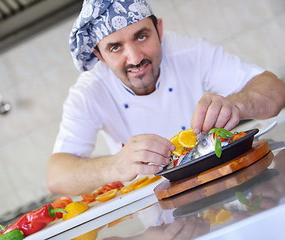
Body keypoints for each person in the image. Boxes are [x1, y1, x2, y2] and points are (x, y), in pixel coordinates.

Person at [46, 0, 285, 196]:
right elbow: (56, 177)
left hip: (222, 180)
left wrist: (236, 104)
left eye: (141, 37)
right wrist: (115, 165)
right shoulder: (89, 92)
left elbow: (276, 91)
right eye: (115, 47)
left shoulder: (189, 52)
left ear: (159, 30)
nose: (134, 58)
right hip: (151, 205)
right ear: (99, 55)